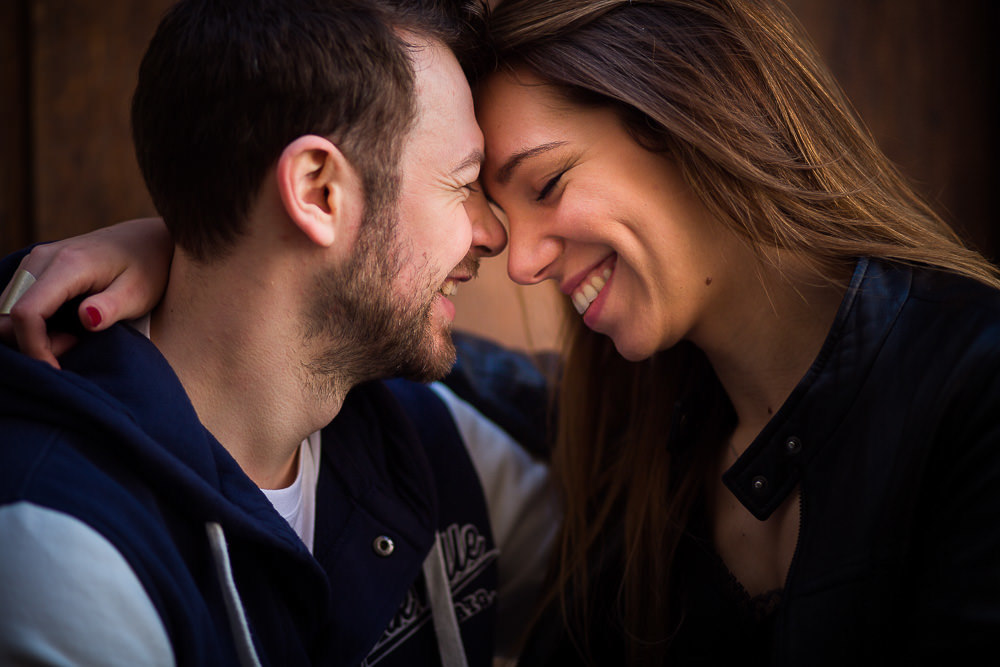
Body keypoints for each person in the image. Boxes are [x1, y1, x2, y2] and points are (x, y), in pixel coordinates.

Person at [0, 0, 557, 665]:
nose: (492, 233)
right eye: (463, 183)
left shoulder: (434, 440)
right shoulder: (66, 550)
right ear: (318, 191)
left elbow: (647, 539)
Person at [465, 0, 1000, 664]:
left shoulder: (975, 390)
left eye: (546, 184)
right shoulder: (633, 438)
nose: (521, 263)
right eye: (504, 216)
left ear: (692, 105)